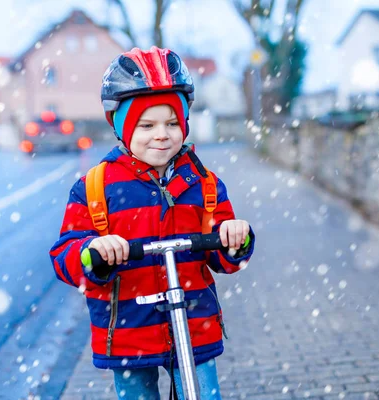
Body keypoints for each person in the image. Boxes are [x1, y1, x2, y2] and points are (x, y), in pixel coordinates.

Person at [49, 46, 255, 400]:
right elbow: (65, 254)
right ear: (122, 127)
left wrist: (234, 239)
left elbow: (223, 255)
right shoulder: (95, 188)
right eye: (146, 125)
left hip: (194, 325)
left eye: (172, 123)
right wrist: (91, 252)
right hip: (128, 330)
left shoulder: (203, 183)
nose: (162, 134)